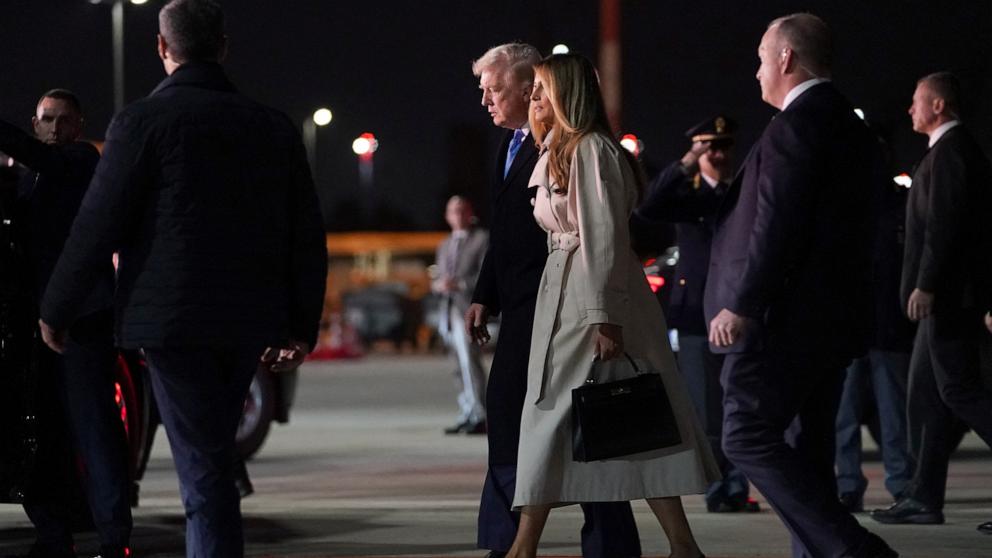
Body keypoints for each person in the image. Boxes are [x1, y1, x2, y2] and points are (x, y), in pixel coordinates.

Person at [36, 1, 328, 556]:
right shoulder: (271, 126)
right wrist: (301, 324)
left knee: (204, 470)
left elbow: (97, 224)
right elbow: (305, 232)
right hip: (247, 319)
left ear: (163, 48)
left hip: (170, 322)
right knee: (211, 458)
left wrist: (56, 307)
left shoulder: (140, 123)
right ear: (222, 47)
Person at [506, 53, 719, 558]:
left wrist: (604, 315)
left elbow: (603, 235)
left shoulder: (592, 151)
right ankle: (682, 545)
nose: (533, 98)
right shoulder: (559, 149)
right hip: (567, 292)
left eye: (541, 89)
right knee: (629, 422)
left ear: (566, 94)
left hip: (589, 297)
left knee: (563, 417)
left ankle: (523, 548)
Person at [704, 14, 897, 558]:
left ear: (786, 58)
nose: (757, 70)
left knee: (743, 433)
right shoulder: (852, 128)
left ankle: (852, 548)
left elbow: (777, 223)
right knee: (808, 450)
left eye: (762, 58)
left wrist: (743, 303)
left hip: (779, 322)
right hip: (832, 322)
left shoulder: (796, 124)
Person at [465, 43, 641, 558]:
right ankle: (506, 543)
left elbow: (601, 235)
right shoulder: (511, 146)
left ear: (530, 88)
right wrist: (484, 294)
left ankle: (609, 544)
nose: (485, 101)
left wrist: (601, 314)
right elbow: (504, 232)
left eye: (494, 89)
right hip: (522, 310)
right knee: (507, 423)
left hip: (566, 308)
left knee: (586, 428)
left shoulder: (572, 147)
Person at [0, 90, 132, 558]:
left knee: (93, 428)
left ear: (79, 125)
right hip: (35, 321)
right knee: (45, 434)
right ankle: (54, 534)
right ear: (35, 123)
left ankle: (114, 537)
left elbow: (48, 164)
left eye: (63, 120)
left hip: (81, 321)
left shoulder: (80, 161)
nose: (54, 129)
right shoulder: (26, 175)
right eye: (46, 120)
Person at [870, 72, 992, 533]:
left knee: (959, 391)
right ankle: (922, 496)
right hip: (947, 299)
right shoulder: (944, 153)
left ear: (938, 105)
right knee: (927, 398)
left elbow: (946, 227)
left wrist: (927, 285)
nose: (910, 110)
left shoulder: (952, 154)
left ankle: (922, 495)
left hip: (948, 300)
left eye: (917, 102)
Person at [634, 115, 760, 514]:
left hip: (736, 311)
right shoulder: (686, 196)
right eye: (711, 148)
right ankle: (717, 487)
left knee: (737, 404)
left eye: (724, 147)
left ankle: (736, 488)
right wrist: (688, 161)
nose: (719, 155)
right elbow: (649, 206)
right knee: (706, 409)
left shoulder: (741, 193)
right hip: (694, 317)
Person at [834, 175, 915, 513]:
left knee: (891, 414)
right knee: (847, 415)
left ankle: (899, 484)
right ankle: (852, 486)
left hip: (884, 326)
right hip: (857, 326)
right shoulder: (844, 201)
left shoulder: (894, 203)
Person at [434, 195, 489, 435]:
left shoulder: (481, 240)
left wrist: (460, 284)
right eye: (452, 211)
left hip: (466, 309)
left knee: (470, 362)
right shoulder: (444, 245)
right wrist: (439, 284)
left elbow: (485, 275)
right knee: (457, 365)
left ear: (470, 213)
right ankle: (466, 410)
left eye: (461, 210)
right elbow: (439, 276)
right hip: (447, 312)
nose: (457, 215)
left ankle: (481, 413)